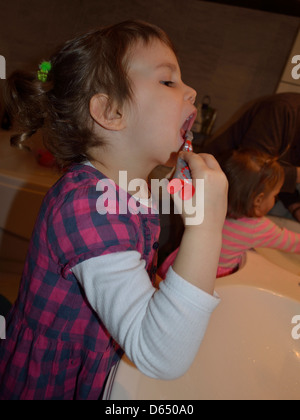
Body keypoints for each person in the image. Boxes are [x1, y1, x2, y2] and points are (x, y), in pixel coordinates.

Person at [0, 20, 228, 400]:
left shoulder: (130, 189)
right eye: (168, 81)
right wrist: (206, 228)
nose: (191, 91)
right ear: (111, 112)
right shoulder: (88, 207)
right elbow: (160, 355)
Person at [158, 148, 300, 279]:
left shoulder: (211, 201)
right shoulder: (257, 228)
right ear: (258, 200)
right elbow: (292, 242)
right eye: (275, 195)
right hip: (210, 277)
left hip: (180, 263)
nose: (275, 199)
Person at [202, 93, 300, 221]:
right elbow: (255, 171)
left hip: (235, 201)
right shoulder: (281, 109)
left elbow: (275, 182)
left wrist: (295, 207)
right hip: (211, 186)